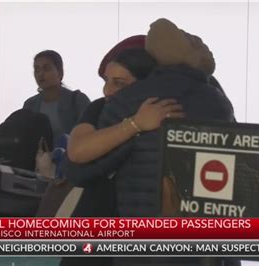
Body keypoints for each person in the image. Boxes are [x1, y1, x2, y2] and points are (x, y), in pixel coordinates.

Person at [64, 18, 237, 266]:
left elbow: (78, 169)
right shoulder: (216, 100)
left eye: (119, 83)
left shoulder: (133, 105)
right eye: (105, 80)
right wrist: (135, 125)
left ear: (146, 80)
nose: (107, 91)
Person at [23, 50, 90, 147]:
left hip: (71, 159)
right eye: (37, 69)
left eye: (47, 69)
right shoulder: (30, 104)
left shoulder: (77, 100)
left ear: (60, 72)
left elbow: (88, 137)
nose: (41, 74)